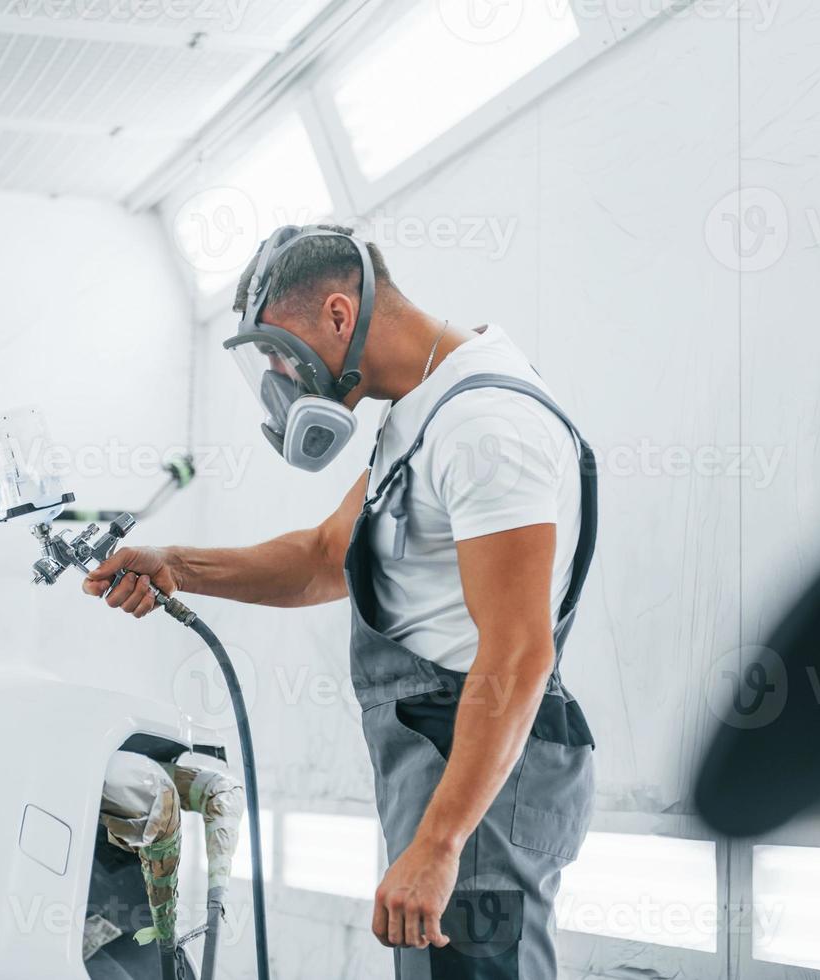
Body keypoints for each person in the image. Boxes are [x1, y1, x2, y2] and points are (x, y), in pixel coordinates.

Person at [83, 224, 597, 978]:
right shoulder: (424, 412)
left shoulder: (485, 425)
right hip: (445, 758)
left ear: (337, 314)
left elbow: (519, 650)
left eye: (279, 354)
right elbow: (327, 557)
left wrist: (442, 841)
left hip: (483, 773)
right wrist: (176, 565)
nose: (281, 381)